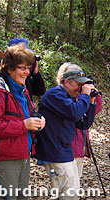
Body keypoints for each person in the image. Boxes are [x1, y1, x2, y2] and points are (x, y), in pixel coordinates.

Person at [0, 44, 46, 199]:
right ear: (9, 68)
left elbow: (27, 114)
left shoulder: (22, 90)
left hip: (23, 155)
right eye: (22, 68)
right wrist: (24, 125)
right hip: (4, 159)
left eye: (28, 68)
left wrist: (39, 120)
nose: (26, 72)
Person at [34, 64, 98, 200]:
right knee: (69, 194)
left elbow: (83, 124)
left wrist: (91, 103)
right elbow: (74, 112)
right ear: (67, 82)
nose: (80, 88)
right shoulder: (55, 94)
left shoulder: (67, 98)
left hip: (64, 151)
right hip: (56, 152)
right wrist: (85, 96)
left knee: (70, 191)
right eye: (78, 84)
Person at [53, 64, 102, 182]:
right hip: (64, 148)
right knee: (65, 186)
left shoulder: (80, 96)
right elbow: (74, 113)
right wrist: (83, 97)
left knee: (74, 184)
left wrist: (91, 95)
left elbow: (96, 109)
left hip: (79, 145)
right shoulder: (61, 97)